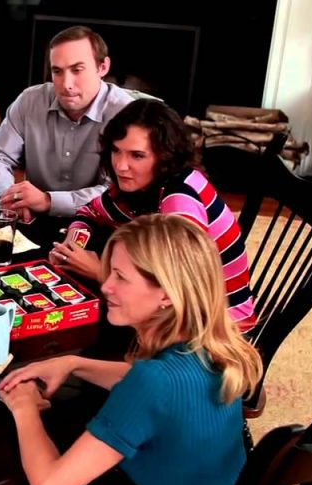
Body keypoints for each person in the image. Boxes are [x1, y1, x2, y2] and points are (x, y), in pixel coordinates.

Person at [0, 213, 263, 485]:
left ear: (167, 293)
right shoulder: (215, 348)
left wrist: (24, 407)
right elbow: (154, 388)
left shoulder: (153, 383)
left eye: (121, 277)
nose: (106, 285)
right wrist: (74, 364)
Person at [51, 98, 257, 331]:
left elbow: (178, 292)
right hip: (178, 310)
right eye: (116, 151)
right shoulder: (139, 186)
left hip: (215, 326)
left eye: (137, 155)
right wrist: (73, 244)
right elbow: (89, 211)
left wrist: (101, 273)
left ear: (164, 156)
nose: (120, 166)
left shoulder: (180, 199)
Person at [0, 25, 134, 220]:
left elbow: (118, 191)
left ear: (102, 67)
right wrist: (9, 198)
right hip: (32, 216)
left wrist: (49, 201)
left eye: (77, 70)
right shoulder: (30, 101)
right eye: (57, 71)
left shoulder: (127, 114)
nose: (66, 84)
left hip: (101, 222)